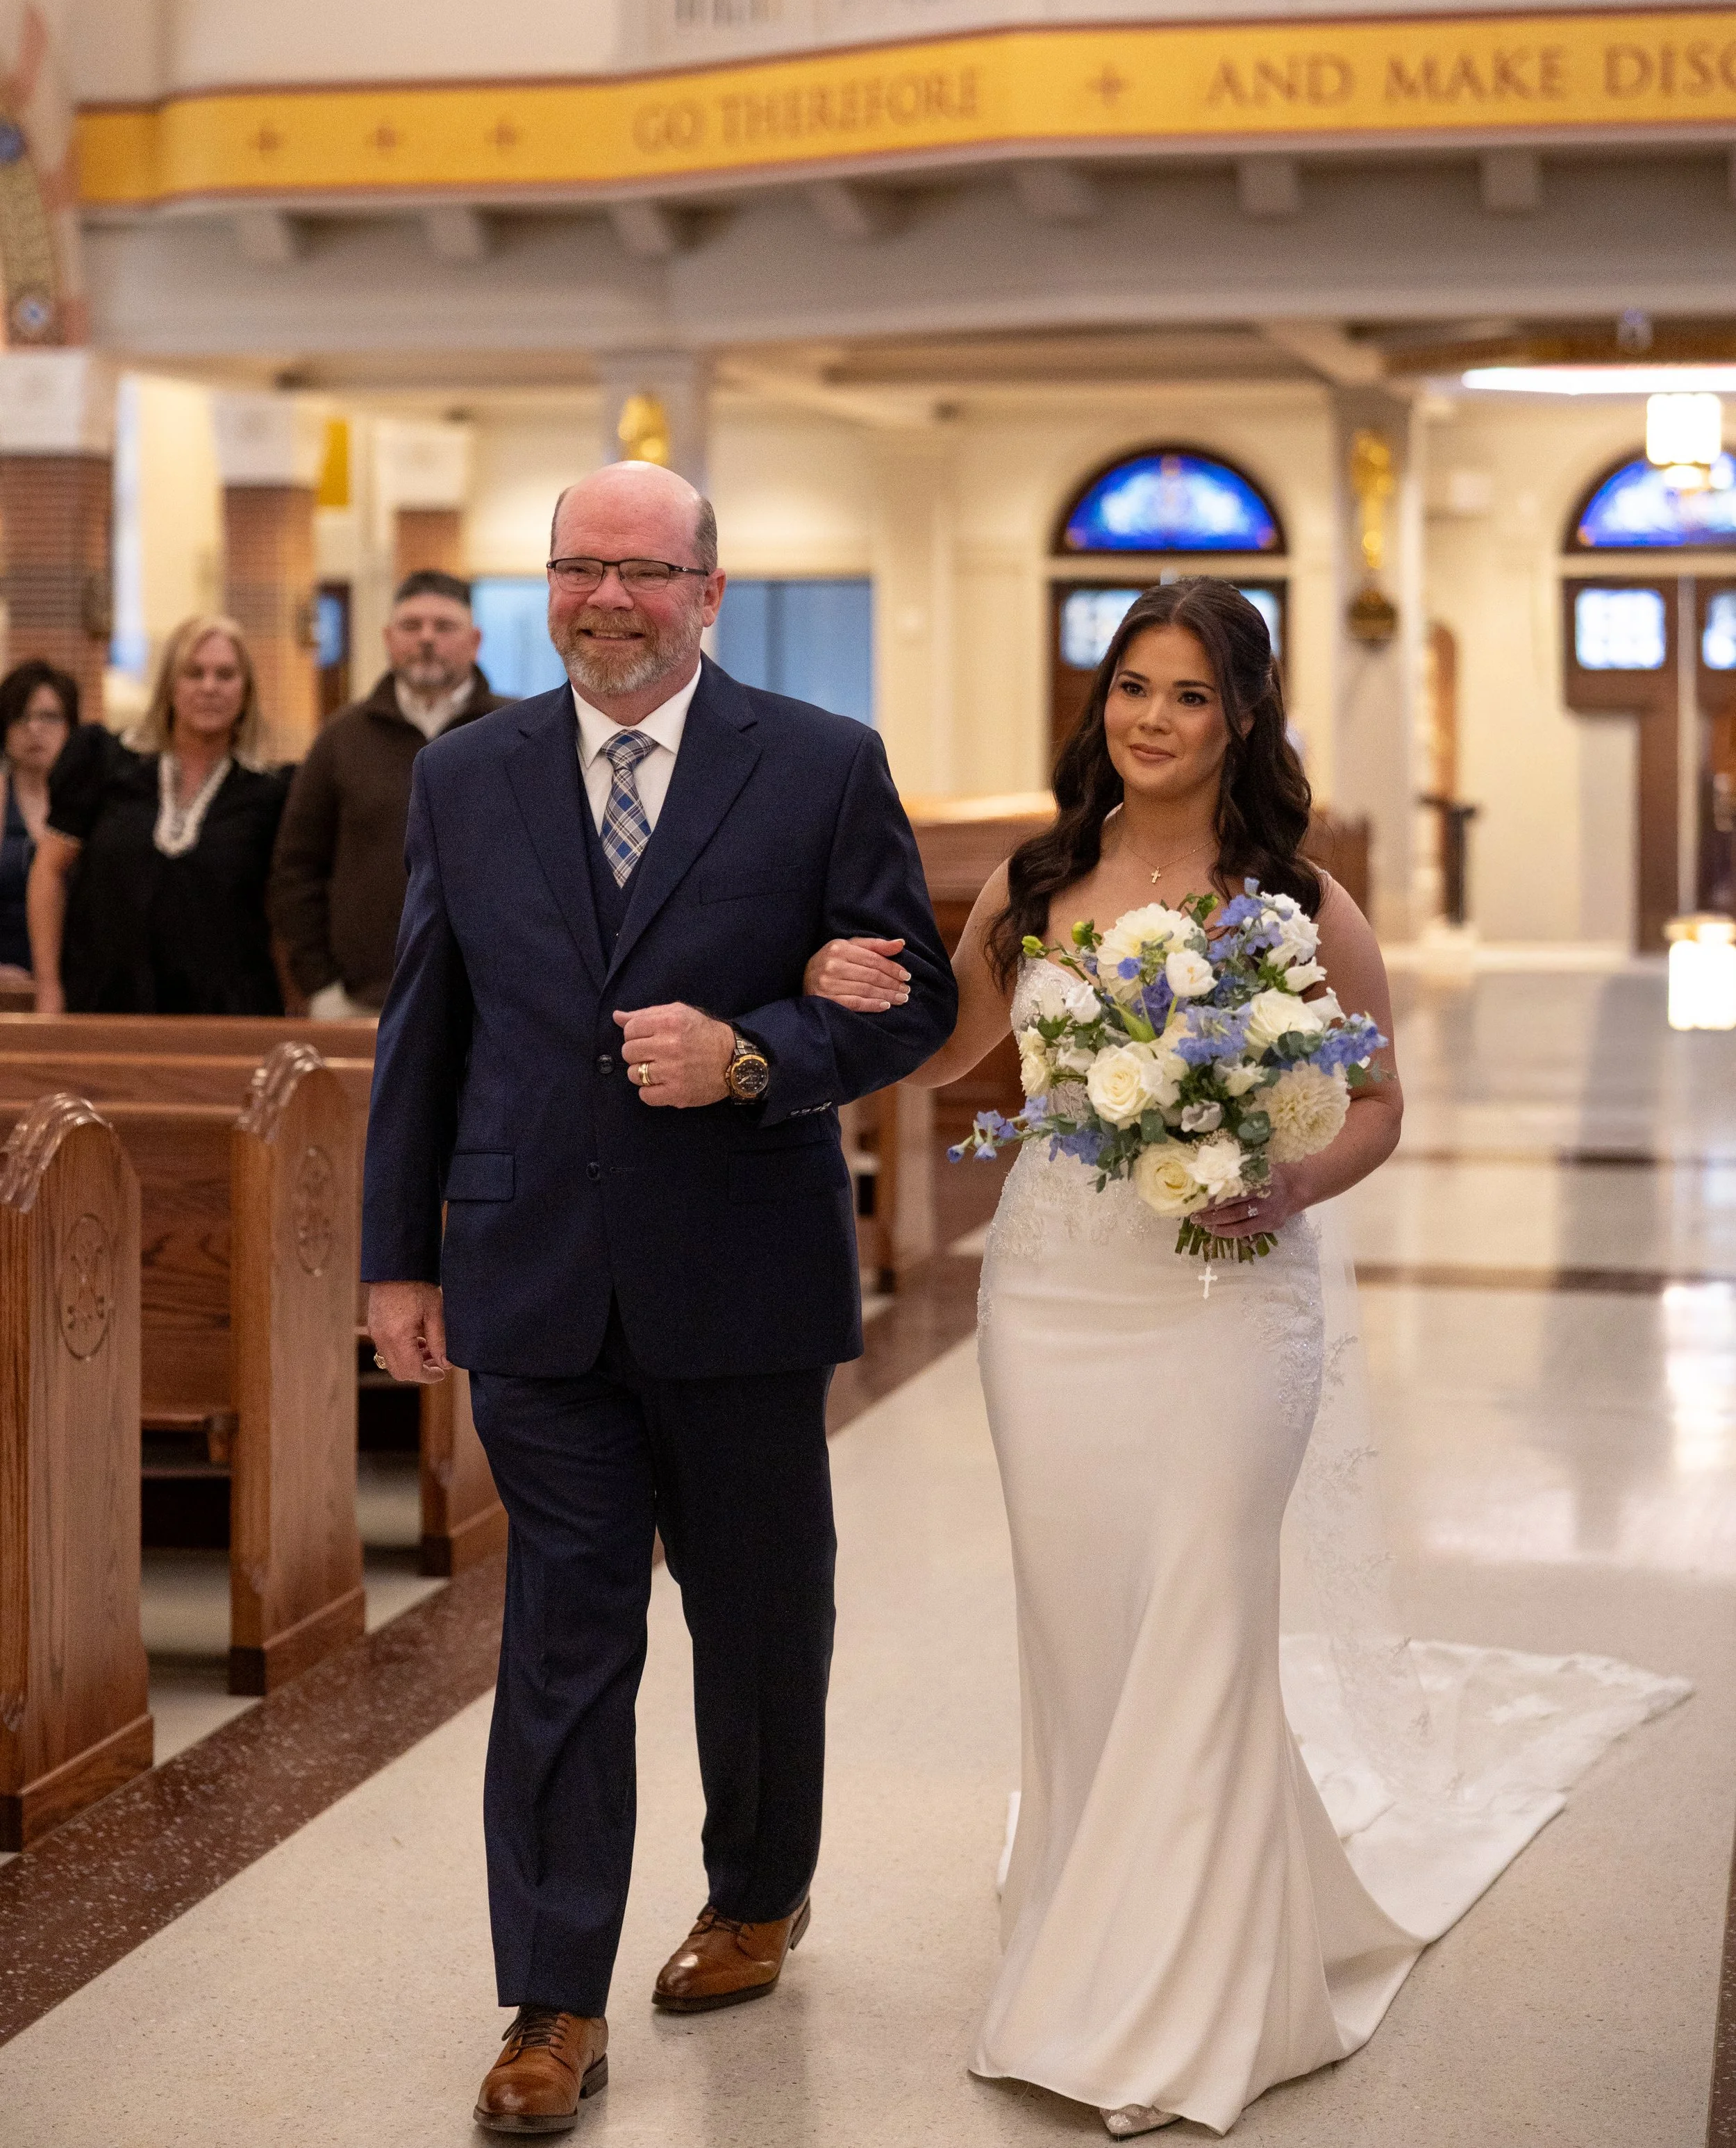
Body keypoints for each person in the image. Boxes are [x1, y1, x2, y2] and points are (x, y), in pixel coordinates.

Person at [797, 583, 1448, 2131]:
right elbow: (957, 1049)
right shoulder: (1033, 882)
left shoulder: (1289, 900)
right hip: (1054, 1297)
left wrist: (1282, 1176)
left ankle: (1189, 2002)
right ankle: (1096, 1941)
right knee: (1087, 1627)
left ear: (1240, 722)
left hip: (1228, 1302)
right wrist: (840, 995)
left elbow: (1376, 1104)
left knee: (1204, 1610)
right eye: (1131, 690)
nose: (1150, 721)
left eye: (1188, 697)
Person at [361, 460, 957, 2135]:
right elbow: (428, 1024)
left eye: (642, 569)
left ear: (708, 587)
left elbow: (903, 1004)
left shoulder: (821, 765)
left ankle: (758, 1890)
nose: (605, 599)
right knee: (561, 1638)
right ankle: (551, 1998)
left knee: (760, 1620)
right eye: (577, 568)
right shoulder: (468, 775)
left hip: (744, 1278)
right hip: (534, 1273)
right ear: (543, 588)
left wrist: (759, 1048)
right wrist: (399, 1255)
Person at [269, 568, 502, 1018]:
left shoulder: (516, 734)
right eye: (411, 626)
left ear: (475, 641)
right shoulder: (341, 738)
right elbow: (296, 870)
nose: (427, 639)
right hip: (367, 1000)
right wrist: (321, 988)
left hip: (494, 1002)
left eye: (444, 626)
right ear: (387, 638)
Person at [30, 615, 290, 1016]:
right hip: (103, 1002)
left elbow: (280, 913)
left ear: (246, 691)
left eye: (225, 675)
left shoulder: (271, 793)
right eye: (194, 673)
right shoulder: (103, 762)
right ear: (170, 685)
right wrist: (49, 987)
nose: (210, 687)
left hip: (226, 1015)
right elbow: (48, 872)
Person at [0, 660, 77, 988]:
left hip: (76, 986)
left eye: (49, 717)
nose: (34, 728)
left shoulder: (92, 803)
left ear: (71, 726)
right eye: (21, 717)